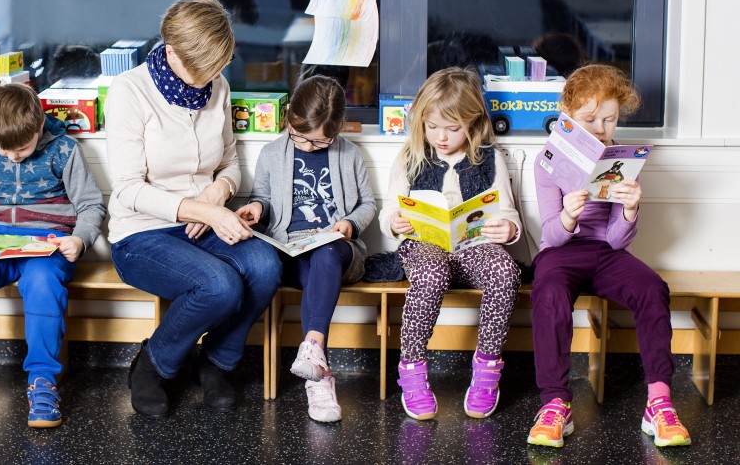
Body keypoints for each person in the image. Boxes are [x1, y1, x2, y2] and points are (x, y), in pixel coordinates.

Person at [104, 0, 282, 418]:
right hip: (140, 233)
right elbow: (128, 189)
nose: (208, 80)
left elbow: (230, 162)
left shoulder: (216, 85)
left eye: (216, 69)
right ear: (170, 52)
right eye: (200, 69)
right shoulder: (130, 92)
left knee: (266, 266)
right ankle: (154, 364)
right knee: (219, 286)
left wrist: (218, 193)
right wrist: (203, 210)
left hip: (205, 219)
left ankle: (218, 362)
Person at [527, 65, 691, 448]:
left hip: (604, 253)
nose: (600, 129)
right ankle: (554, 404)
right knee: (548, 290)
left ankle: (660, 402)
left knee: (652, 287)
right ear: (567, 117)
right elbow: (549, 234)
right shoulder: (546, 161)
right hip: (561, 252)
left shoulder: (621, 160)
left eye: (610, 119)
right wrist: (569, 214)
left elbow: (617, 242)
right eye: (589, 119)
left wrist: (631, 209)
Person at [0, 83, 105, 428]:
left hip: (47, 240)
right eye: (4, 149)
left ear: (39, 125)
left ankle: (42, 381)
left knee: (43, 283)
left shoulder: (64, 149)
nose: (13, 156)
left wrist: (80, 239)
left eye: (22, 148)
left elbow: (90, 205)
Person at [379, 67, 522, 421]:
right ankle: (412, 368)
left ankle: (487, 369)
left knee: (506, 270)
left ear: (473, 123)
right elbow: (390, 211)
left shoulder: (490, 156)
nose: (441, 137)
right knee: (429, 274)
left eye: (453, 128)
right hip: (424, 245)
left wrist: (507, 228)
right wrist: (395, 222)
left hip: (472, 246)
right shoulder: (411, 156)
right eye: (432, 126)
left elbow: (507, 211)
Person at [236, 76, 376, 423]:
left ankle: (313, 348)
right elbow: (263, 198)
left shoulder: (350, 154)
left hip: (336, 250)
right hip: (288, 250)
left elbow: (367, 204)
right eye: (299, 136)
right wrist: (256, 209)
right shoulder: (272, 153)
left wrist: (350, 224)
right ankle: (321, 376)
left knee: (326, 254)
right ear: (289, 118)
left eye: (319, 140)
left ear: (337, 129)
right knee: (304, 266)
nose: (309, 146)